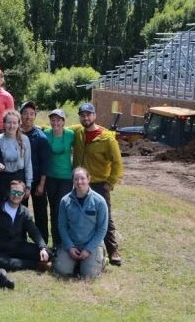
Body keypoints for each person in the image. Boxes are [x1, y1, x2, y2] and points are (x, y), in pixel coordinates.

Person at [71, 102, 124, 266]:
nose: (85, 118)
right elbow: (57, 126)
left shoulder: (107, 137)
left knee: (105, 217)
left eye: (88, 114)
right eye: (82, 115)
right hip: (80, 183)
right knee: (79, 215)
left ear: (94, 116)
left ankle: (113, 250)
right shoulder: (77, 132)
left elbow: (117, 162)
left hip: (99, 183)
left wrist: (111, 181)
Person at [54, 167, 108, 279]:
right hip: (72, 244)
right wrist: (69, 247)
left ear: (89, 179)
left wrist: (88, 249)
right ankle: (75, 262)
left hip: (91, 245)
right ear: (72, 181)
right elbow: (62, 226)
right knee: (61, 272)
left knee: (89, 276)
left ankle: (101, 260)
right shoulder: (65, 201)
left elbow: (102, 229)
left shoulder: (100, 201)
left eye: (82, 178)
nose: (79, 182)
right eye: (76, 179)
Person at [0, 180, 51, 271]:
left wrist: (43, 248)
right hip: (0, 248)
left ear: (23, 195)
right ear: (8, 192)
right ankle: (35, 265)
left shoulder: (24, 211)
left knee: (48, 253)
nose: (16, 195)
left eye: (19, 193)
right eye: (13, 192)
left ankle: (23, 262)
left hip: (17, 246)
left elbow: (33, 231)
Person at [19, 101, 51, 243]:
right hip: (21, 180)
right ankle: (20, 240)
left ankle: (42, 242)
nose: (28, 117)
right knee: (21, 211)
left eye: (32, 114)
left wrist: (41, 184)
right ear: (21, 115)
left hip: (38, 180)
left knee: (40, 213)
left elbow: (45, 163)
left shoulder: (40, 137)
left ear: (35, 116)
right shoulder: (15, 133)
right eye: (25, 113)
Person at [44, 108, 75, 249]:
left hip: (66, 178)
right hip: (50, 177)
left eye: (58, 120)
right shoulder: (46, 134)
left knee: (62, 209)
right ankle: (56, 242)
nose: (55, 122)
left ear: (63, 121)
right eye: (53, 119)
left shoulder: (70, 134)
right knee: (53, 209)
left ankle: (65, 240)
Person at [0, 110, 32, 201]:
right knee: (3, 209)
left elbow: (28, 164)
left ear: (18, 124)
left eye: (14, 123)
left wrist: (28, 185)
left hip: (19, 179)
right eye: (9, 122)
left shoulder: (24, 139)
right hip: (3, 179)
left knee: (19, 210)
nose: (11, 126)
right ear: (4, 123)